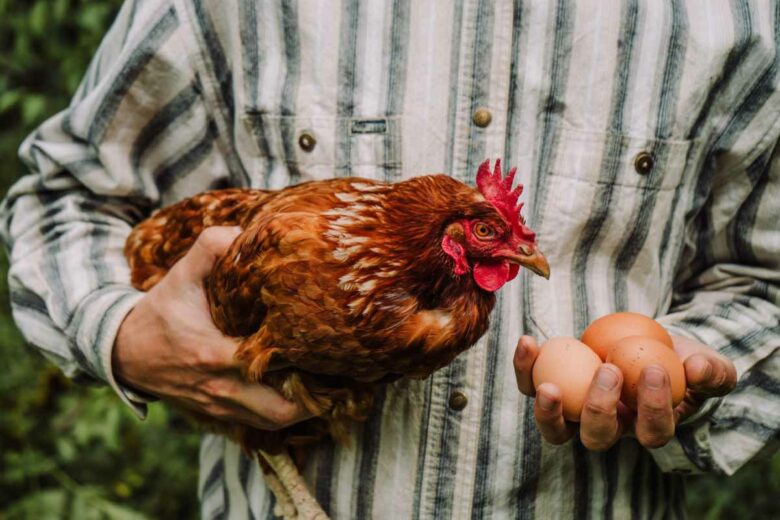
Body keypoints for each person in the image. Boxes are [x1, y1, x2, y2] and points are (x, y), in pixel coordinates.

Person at [2, 1, 778, 518]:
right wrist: (125, 334)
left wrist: (685, 371)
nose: (522, 253)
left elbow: (766, 279)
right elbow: (65, 194)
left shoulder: (741, 20)